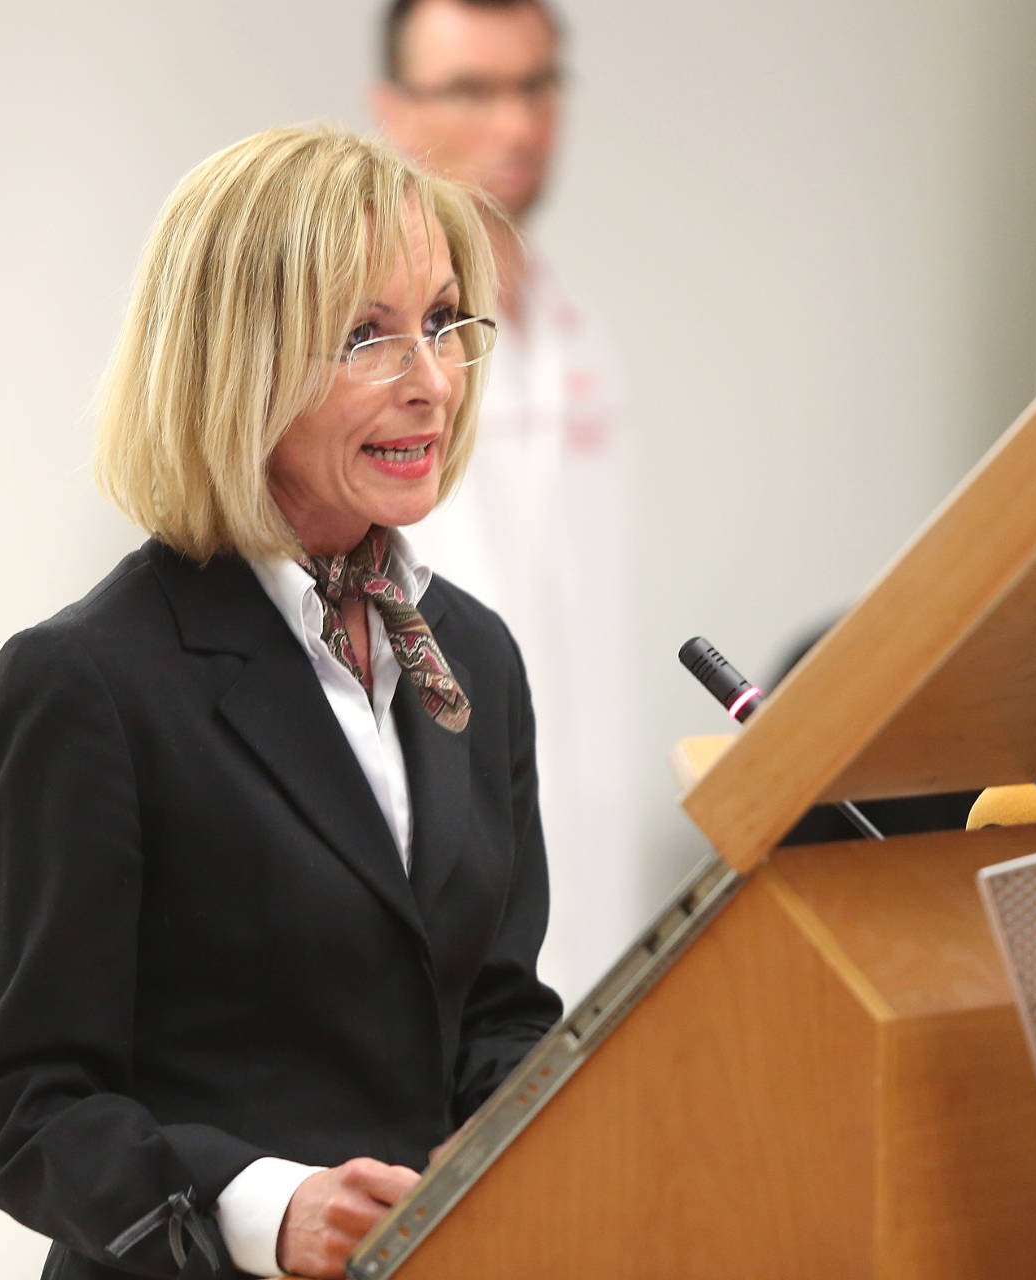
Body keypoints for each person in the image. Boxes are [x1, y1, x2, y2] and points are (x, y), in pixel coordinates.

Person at [0, 126, 561, 1280]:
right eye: (364, 335)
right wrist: (265, 1208)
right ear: (238, 360)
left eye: (441, 322)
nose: (429, 377)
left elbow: (496, 1007)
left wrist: (519, 1130)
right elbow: (19, 1106)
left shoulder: (471, 652)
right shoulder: (89, 682)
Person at [373, 0, 643, 1003]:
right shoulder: (363, 359)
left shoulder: (579, 340)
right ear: (393, 110)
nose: (518, 125)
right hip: (431, 892)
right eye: (473, 90)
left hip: (590, 866)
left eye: (535, 84)